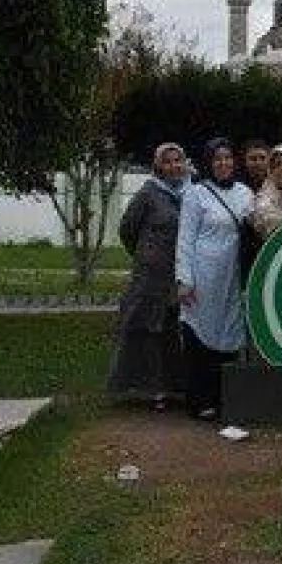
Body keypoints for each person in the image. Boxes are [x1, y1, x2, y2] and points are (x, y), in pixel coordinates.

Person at [175, 138, 253, 419]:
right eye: (217, 158)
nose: (224, 163)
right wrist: (184, 279)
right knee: (200, 334)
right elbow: (185, 238)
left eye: (228, 157)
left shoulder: (245, 193)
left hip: (233, 274)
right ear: (209, 162)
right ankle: (200, 400)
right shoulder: (196, 194)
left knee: (231, 333)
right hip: (204, 273)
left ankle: (226, 399)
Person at [107, 142, 189, 408]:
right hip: (152, 275)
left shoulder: (192, 192)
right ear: (158, 165)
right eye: (168, 161)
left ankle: (177, 385)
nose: (174, 166)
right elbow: (127, 229)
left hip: (181, 273)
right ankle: (152, 389)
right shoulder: (149, 193)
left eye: (178, 161)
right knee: (149, 329)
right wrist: (145, 254)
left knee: (175, 330)